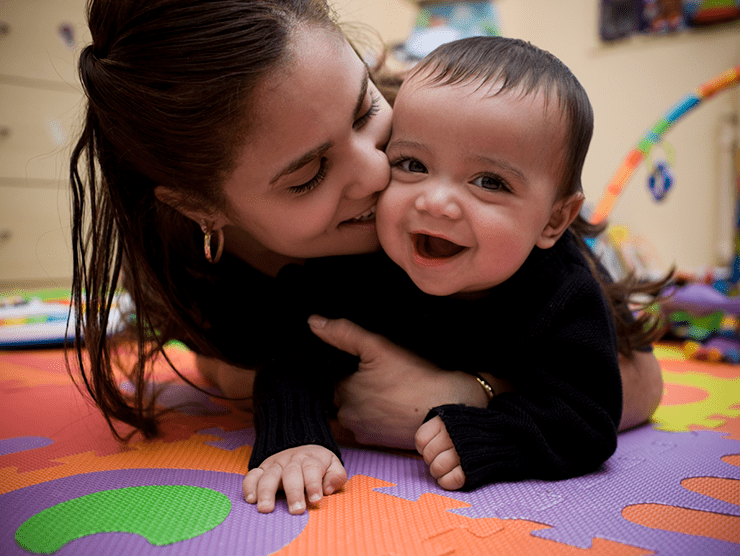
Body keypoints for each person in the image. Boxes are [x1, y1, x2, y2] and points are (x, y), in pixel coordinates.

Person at [68, 0, 665, 517]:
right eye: (307, 174)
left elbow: (631, 380)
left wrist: (466, 394)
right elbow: (243, 362)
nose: (380, 170)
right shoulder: (185, 265)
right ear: (201, 207)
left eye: (363, 113)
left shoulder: (440, 123)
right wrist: (282, 410)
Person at [241, 35, 672, 513]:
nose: (436, 201)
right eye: (412, 164)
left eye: (489, 182)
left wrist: (486, 430)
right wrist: (296, 440)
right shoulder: (358, 265)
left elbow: (587, 418)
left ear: (554, 220)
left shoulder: (562, 294)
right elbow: (290, 354)